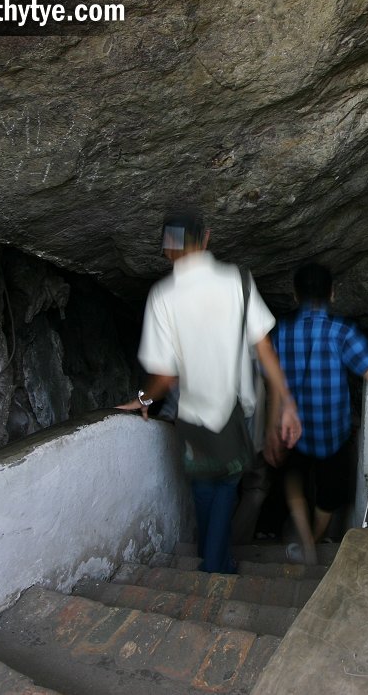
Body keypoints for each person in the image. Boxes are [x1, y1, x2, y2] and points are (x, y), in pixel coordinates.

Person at [117, 210, 301, 574]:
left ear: (167, 249)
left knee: (204, 487)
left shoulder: (162, 296)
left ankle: (213, 560)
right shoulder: (239, 282)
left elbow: (164, 374)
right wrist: (288, 404)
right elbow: (264, 350)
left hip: (191, 415)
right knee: (227, 485)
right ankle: (217, 564)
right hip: (234, 412)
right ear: (206, 238)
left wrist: (143, 400)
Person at [274, 263, 368, 565]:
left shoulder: (281, 333)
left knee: (293, 478)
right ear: (332, 294)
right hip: (332, 432)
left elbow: (270, 377)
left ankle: (302, 536)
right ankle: (314, 540)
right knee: (328, 492)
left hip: (293, 430)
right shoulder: (341, 331)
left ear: (295, 295)